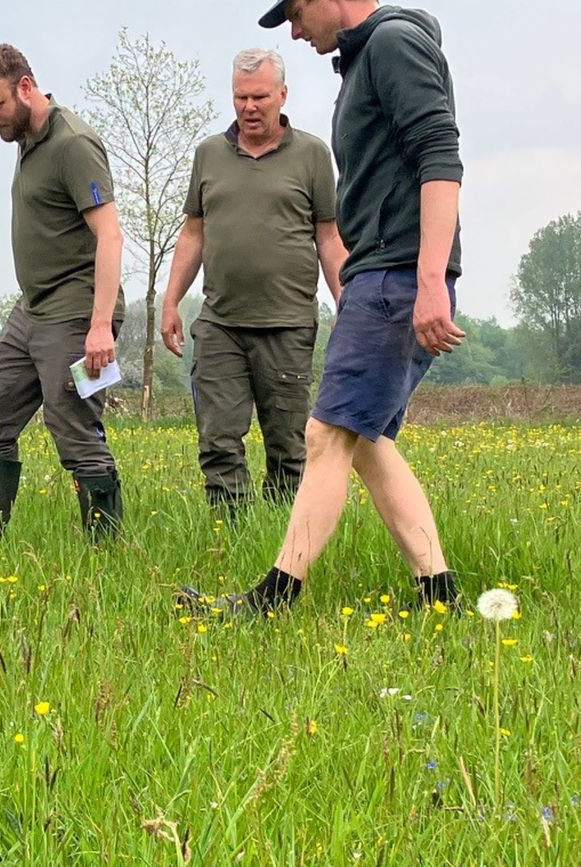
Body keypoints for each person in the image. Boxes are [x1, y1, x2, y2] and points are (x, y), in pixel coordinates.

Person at [182, 0, 467, 614]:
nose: (293, 27)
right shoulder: (367, 57)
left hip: (395, 271)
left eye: (296, 9)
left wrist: (429, 281)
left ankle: (273, 598)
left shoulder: (392, 44)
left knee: (326, 434)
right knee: (362, 439)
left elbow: (440, 156)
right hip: (380, 271)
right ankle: (438, 591)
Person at [162, 48, 347, 517]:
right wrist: (170, 302)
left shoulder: (311, 155)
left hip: (287, 326)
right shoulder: (209, 154)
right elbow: (193, 232)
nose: (249, 107)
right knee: (218, 437)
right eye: (240, 97)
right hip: (221, 323)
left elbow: (329, 238)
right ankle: (231, 535)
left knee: (288, 444)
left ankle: (287, 541)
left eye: (259, 96)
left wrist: (348, 303)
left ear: (282, 95)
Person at [0, 44, 127, 544]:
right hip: (32, 309)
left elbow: (111, 236)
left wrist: (100, 326)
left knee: (73, 426)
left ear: (26, 88)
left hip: (75, 312)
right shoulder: (26, 138)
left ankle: (107, 551)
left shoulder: (73, 143)